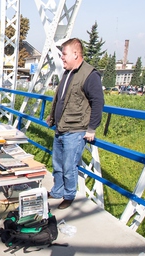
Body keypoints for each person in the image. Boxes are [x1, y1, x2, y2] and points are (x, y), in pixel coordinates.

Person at [46, 38, 104, 210]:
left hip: (76, 129)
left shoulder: (89, 75)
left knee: (69, 165)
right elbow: (60, 99)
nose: (62, 58)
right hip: (61, 127)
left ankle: (69, 195)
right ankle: (57, 191)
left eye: (64, 54)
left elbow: (98, 102)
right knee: (57, 163)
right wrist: (52, 118)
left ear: (75, 54)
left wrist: (91, 129)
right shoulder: (68, 72)